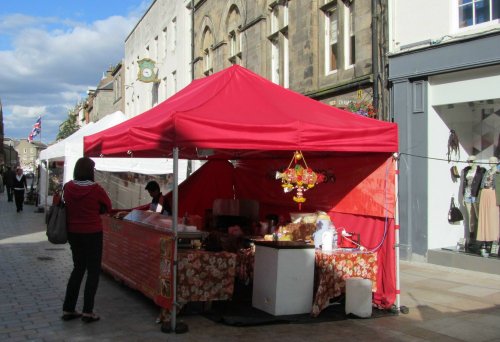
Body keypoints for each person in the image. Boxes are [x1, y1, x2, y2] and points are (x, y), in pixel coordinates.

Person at [62, 157, 112, 323]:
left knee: (78, 268)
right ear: (90, 171)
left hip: (73, 232)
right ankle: (87, 311)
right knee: (93, 272)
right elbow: (108, 206)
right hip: (92, 232)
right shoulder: (96, 189)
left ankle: (68, 308)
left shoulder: (67, 187)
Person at [461, 155, 485, 239]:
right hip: (467, 195)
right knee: (470, 216)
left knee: (479, 215)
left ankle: (481, 235)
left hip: (476, 195)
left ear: (475, 161)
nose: (469, 163)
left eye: (470, 161)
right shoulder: (466, 171)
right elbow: (464, 184)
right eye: (468, 161)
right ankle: (471, 235)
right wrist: (463, 196)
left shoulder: (481, 171)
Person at [476, 156, 499, 243]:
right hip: (484, 193)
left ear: (497, 162)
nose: (491, 162)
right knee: (484, 215)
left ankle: (494, 237)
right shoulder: (486, 172)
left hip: (493, 194)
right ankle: (484, 238)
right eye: (490, 161)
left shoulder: (498, 172)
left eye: (493, 161)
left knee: (493, 216)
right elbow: (482, 185)